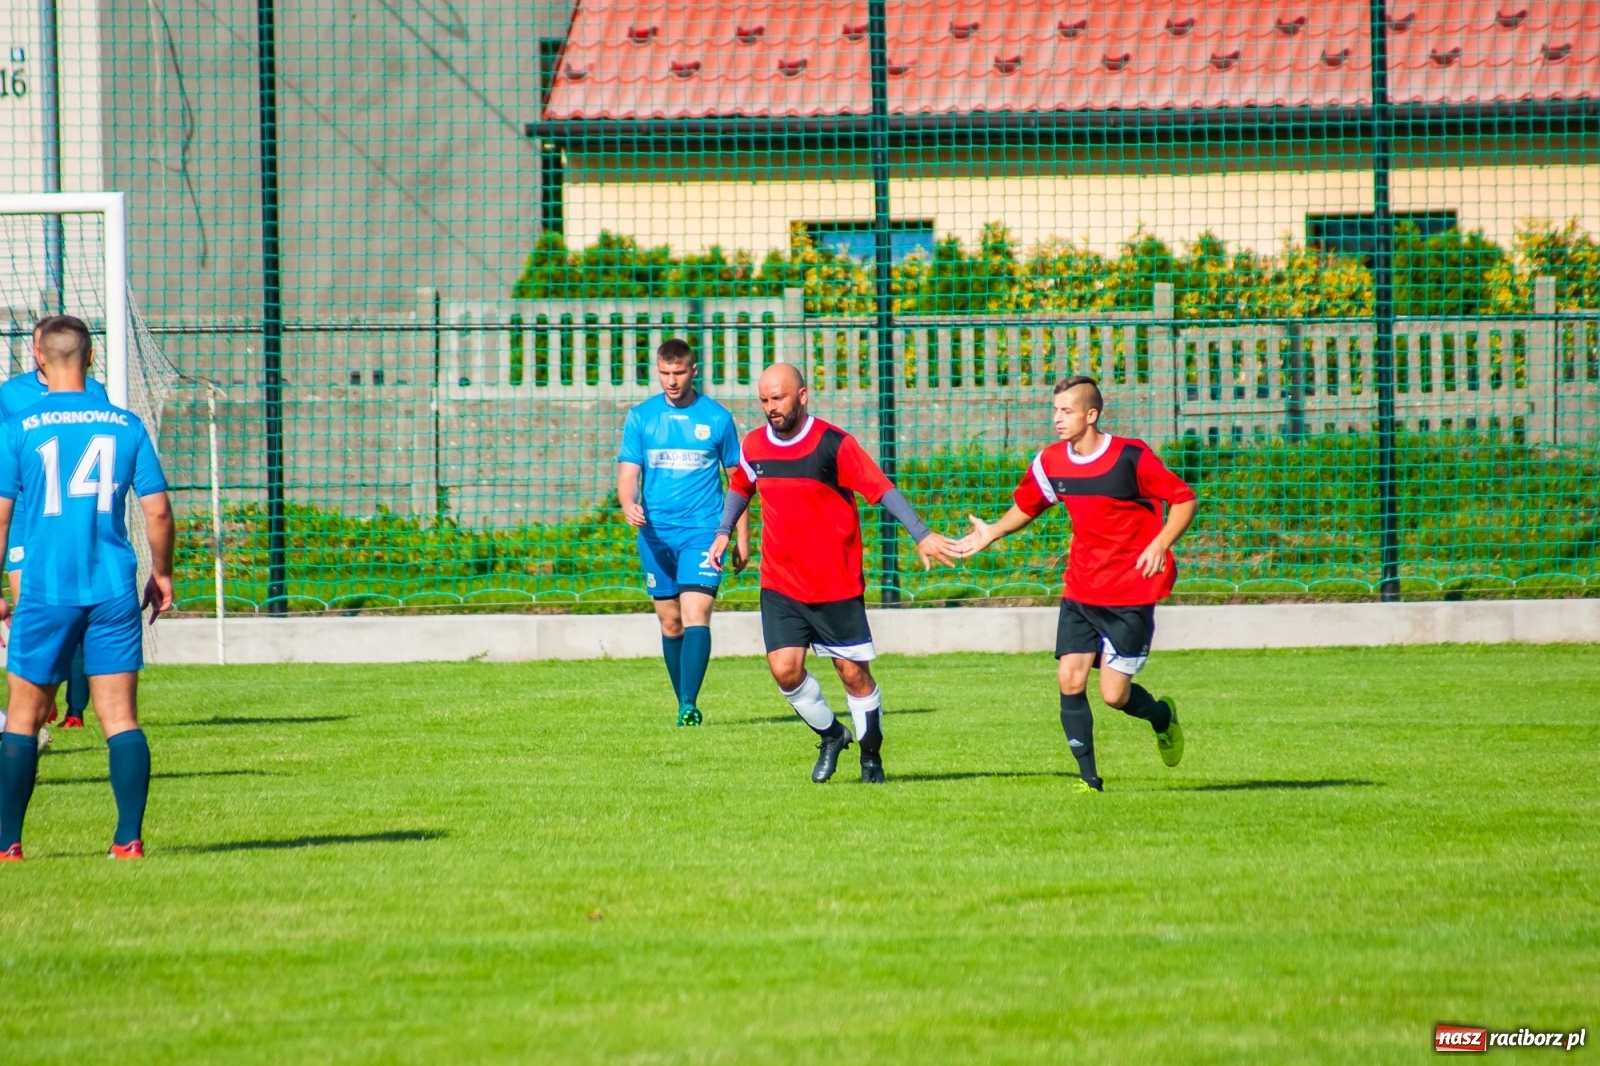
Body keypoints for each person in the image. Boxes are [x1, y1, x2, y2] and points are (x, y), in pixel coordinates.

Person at [709, 363, 956, 784]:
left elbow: (881, 488)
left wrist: (921, 533)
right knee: (785, 669)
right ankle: (831, 735)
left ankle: (871, 758)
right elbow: (741, 485)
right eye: (765, 400)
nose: (772, 408)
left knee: (852, 673)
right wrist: (723, 532)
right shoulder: (754, 446)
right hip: (781, 582)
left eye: (780, 398)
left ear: (802, 396)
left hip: (835, 583)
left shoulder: (833, 444)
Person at [954, 375, 1197, 792]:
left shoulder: (1130, 457)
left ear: (1091, 415)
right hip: (1082, 589)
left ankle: (1161, 717)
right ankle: (1090, 781)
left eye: (1066, 411)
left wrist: (1161, 542)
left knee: (1114, 696)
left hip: (1130, 592)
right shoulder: (1051, 461)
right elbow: (1029, 504)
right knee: (1069, 679)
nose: (1057, 419)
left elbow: (1184, 499)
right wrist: (993, 531)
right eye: (1054, 410)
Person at [0, 314, 174, 861]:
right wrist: (162, 573)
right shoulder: (126, 425)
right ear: (92, 358)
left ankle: (8, 845)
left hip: (45, 589)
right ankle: (128, 840)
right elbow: (160, 512)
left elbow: (1, 517)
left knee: (25, 717)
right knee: (119, 717)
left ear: (38, 358)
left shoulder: (19, 428)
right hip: (112, 588)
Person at [617, 338, 750, 727]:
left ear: (693, 371)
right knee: (670, 622)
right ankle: (683, 704)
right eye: (665, 373)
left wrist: (742, 537)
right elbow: (628, 476)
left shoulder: (717, 418)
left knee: (696, 613)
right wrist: (628, 504)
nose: (672, 381)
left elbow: (737, 482)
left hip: (704, 532)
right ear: (657, 371)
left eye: (679, 373)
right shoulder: (641, 418)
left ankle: (689, 703)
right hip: (657, 537)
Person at [0, 317, 110, 737]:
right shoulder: (11, 394)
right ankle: (34, 706)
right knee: (31, 609)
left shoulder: (94, 392)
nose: (36, 351)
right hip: (26, 520)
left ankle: (75, 707)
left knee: (80, 612)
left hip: (75, 519)